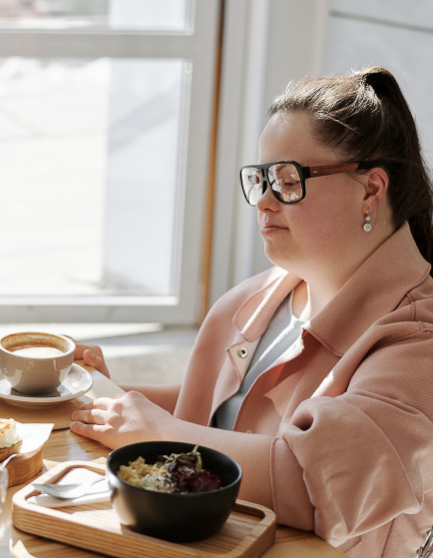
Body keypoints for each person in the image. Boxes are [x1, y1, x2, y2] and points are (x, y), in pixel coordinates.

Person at [70, 67, 433, 557]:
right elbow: (232, 409)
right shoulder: (267, 294)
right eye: (261, 178)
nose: (263, 201)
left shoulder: (418, 343)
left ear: (371, 188)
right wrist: (116, 393)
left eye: (288, 180)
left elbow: (311, 479)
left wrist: (158, 430)